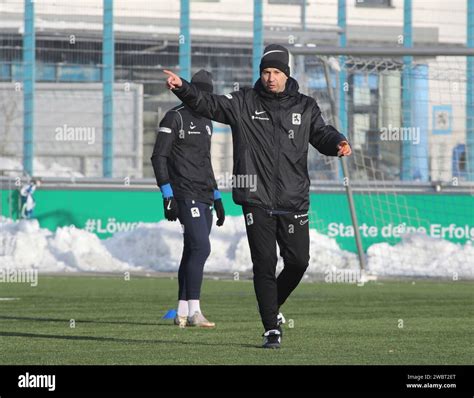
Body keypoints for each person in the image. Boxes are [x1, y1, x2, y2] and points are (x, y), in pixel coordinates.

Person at [163, 44, 352, 348]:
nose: (270, 77)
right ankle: (271, 329)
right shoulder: (243, 103)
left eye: (276, 72)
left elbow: (321, 134)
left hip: (293, 199)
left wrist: (338, 142)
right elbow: (208, 104)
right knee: (264, 264)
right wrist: (183, 88)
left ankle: (271, 308)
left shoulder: (305, 106)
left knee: (298, 262)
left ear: (286, 74)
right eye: (265, 72)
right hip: (256, 198)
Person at [151, 69, 225, 329]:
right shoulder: (175, 117)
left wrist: (217, 196)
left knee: (192, 250)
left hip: (204, 194)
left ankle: (181, 312)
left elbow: (205, 161)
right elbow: (158, 157)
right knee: (202, 248)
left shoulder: (207, 121)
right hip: (184, 193)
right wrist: (167, 194)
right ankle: (195, 311)